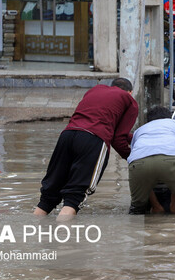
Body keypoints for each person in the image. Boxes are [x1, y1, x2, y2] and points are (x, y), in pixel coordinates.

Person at [33, 78, 138, 220]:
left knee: (48, 196)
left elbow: (95, 120)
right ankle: (61, 241)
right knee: (75, 197)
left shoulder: (95, 90)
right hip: (94, 139)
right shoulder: (130, 101)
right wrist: (134, 158)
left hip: (67, 135)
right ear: (130, 92)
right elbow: (118, 139)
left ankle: (32, 234)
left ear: (111, 86)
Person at [128, 106, 175, 215]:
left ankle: (156, 208)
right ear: (169, 118)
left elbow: (134, 156)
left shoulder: (140, 130)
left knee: (137, 209)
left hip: (139, 163)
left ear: (148, 121)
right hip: (172, 160)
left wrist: (155, 204)